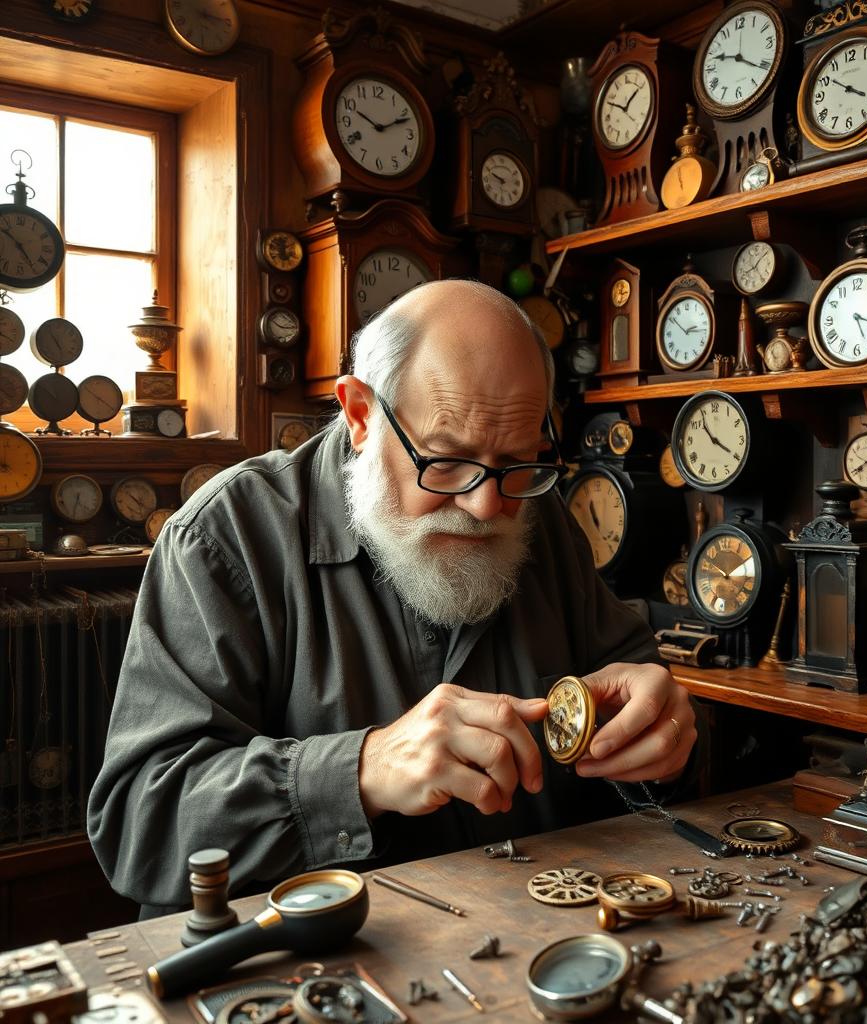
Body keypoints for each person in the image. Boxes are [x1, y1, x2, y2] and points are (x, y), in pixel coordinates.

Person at [87, 279, 698, 916]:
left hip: (536, 935)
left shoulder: (535, 517)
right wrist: (364, 769)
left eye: (516, 461)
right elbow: (141, 823)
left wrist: (664, 731)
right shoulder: (227, 539)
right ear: (359, 415)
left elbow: (642, 699)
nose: (485, 506)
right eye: (446, 461)